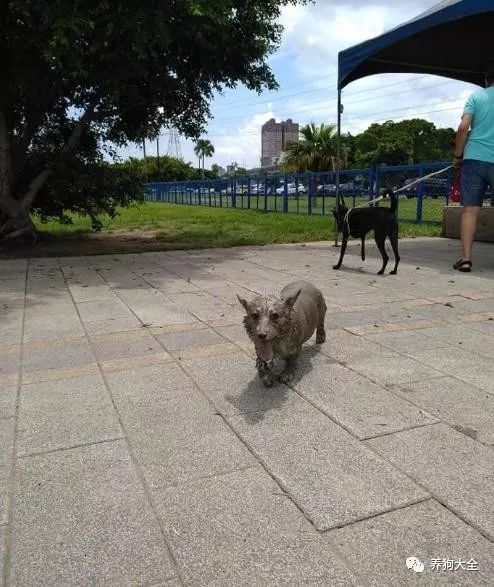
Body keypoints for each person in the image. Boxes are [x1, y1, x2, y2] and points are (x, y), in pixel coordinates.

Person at [453, 64, 494, 272]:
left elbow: (462, 128)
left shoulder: (476, 97)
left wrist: (457, 156)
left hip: (474, 159)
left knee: (470, 210)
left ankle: (466, 259)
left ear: (486, 80)